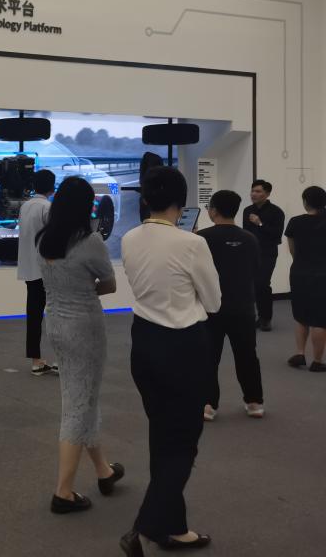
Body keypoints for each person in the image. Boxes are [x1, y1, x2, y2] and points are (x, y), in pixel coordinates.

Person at [119, 167, 221, 556]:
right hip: (183, 347)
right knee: (183, 443)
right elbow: (213, 302)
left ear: (145, 199)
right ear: (181, 201)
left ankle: (174, 528)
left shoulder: (129, 238)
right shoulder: (191, 243)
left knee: (162, 435)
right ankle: (145, 525)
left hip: (144, 343)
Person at [36, 176, 124, 515]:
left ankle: (103, 470)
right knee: (78, 404)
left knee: (81, 396)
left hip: (55, 325)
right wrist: (85, 290)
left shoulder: (44, 240)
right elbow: (110, 285)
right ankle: (63, 492)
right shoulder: (90, 241)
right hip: (85, 328)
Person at [197, 190, 265, 420]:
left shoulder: (201, 238)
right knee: (247, 355)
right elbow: (256, 270)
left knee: (208, 357)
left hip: (210, 307)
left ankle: (208, 404)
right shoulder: (250, 238)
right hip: (243, 306)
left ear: (213, 211)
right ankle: (254, 402)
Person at [18, 168, 58, 376]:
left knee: (33, 316)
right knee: (56, 315)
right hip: (46, 269)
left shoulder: (25, 206)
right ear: (52, 187)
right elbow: (54, 237)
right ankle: (60, 358)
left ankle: (36, 360)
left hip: (29, 268)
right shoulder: (47, 207)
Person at [284, 185, 326, 372]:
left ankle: (300, 353)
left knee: (301, 316)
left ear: (305, 201)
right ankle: (317, 361)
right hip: (323, 274)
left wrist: (302, 263)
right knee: (320, 319)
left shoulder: (295, 222)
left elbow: (293, 250)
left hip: (299, 272)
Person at [242, 179, 285, 331]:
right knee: (253, 286)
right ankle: (257, 317)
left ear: (267, 194)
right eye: (252, 191)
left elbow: (276, 235)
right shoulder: (247, 210)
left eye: (258, 191)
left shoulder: (276, 212)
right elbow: (246, 232)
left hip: (267, 253)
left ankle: (266, 318)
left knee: (262, 284)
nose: (253, 194)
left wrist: (260, 223)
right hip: (250, 253)